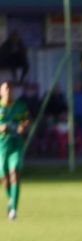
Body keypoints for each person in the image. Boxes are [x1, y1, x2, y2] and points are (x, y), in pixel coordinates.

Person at [0, 80, 29, 220]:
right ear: (1, 92)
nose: (8, 91)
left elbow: (26, 121)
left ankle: (14, 210)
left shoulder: (21, 106)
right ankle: (11, 199)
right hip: (1, 146)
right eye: (6, 89)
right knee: (4, 177)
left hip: (16, 144)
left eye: (10, 89)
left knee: (15, 173)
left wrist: (23, 127)